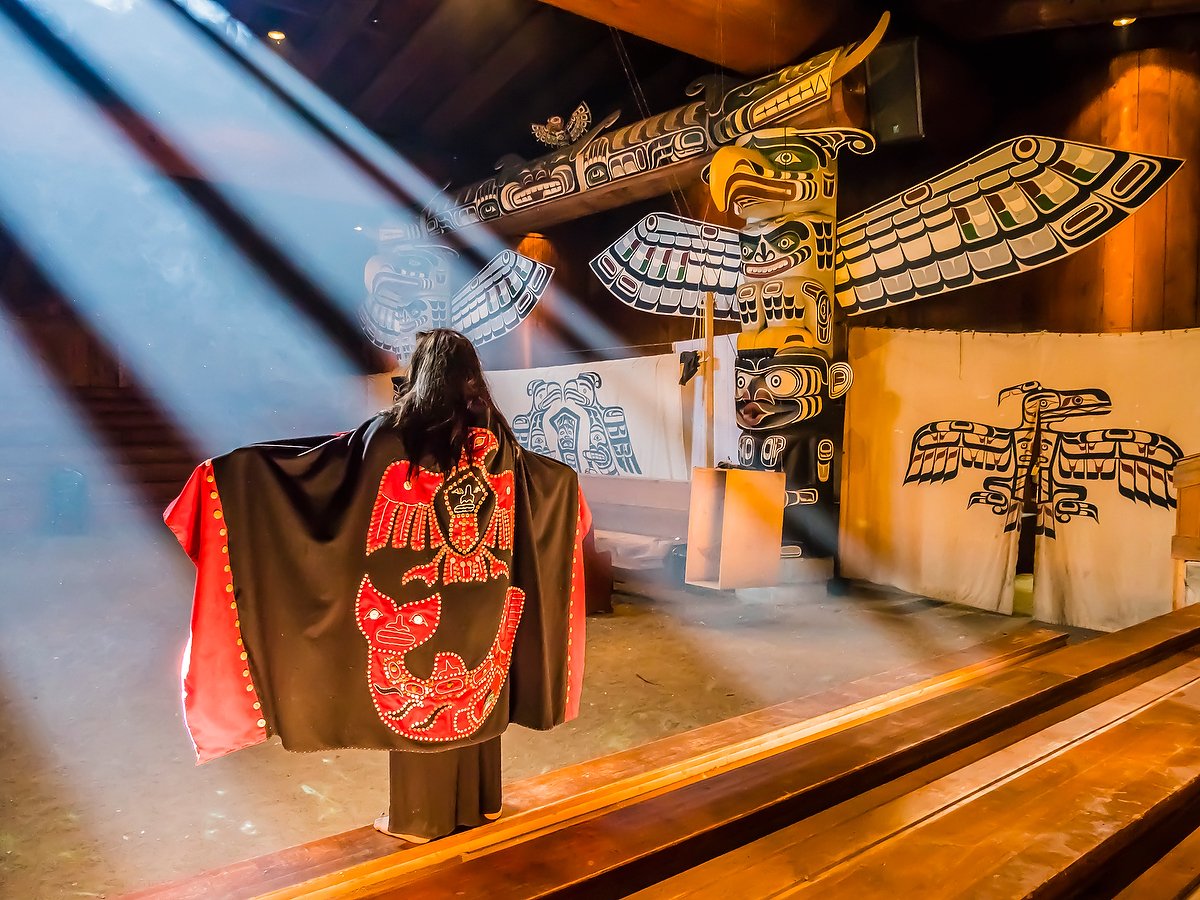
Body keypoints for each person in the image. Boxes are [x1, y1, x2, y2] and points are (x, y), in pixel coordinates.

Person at [165, 329, 589, 843]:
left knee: (421, 698)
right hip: (482, 594)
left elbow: (327, 470)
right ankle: (482, 802)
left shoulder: (395, 437)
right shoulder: (495, 441)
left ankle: (422, 818)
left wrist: (237, 476)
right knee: (476, 688)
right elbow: (542, 482)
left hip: (416, 599)